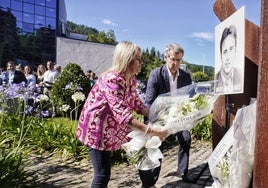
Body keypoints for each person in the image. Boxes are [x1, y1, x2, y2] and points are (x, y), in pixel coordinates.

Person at [76, 41, 168, 188]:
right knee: (102, 174)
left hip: (112, 127)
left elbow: (137, 103)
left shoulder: (131, 79)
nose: (141, 62)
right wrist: (151, 130)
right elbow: (124, 116)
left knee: (140, 152)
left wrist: (159, 116)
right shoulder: (111, 79)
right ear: (127, 59)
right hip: (97, 130)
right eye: (138, 58)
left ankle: (149, 185)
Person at [141, 43, 194, 186]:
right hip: (160, 117)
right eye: (172, 59)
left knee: (185, 139)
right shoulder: (156, 74)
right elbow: (149, 102)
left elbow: (191, 98)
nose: (175, 63)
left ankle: (183, 171)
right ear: (165, 57)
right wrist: (150, 125)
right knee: (158, 145)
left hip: (178, 117)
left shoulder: (185, 77)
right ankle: (152, 181)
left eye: (179, 60)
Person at [215, 25, 242, 94]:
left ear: (235, 50)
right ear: (220, 55)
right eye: (225, 51)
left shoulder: (240, 75)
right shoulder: (215, 79)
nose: (228, 57)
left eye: (231, 49)